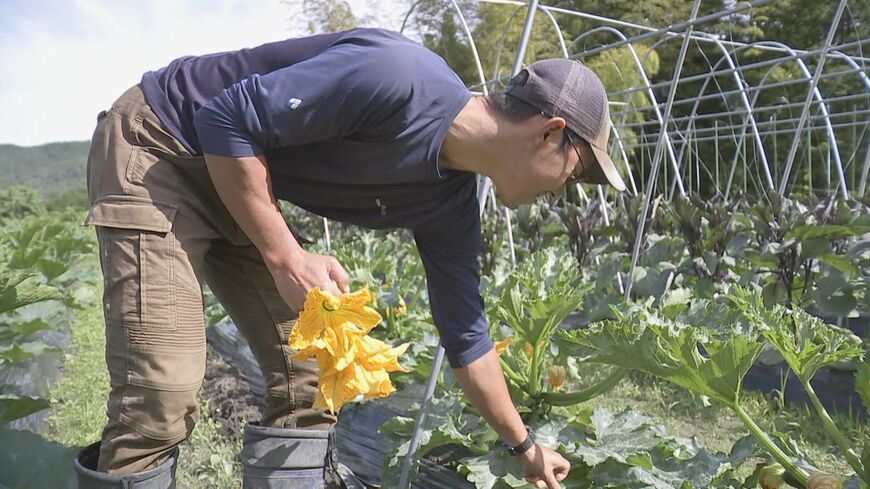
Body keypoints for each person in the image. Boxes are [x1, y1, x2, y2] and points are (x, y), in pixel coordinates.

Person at [73, 27, 626, 489]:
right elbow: (223, 119)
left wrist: (523, 446)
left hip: (239, 177)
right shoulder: (399, 77)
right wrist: (287, 256)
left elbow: (467, 336)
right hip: (163, 144)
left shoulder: (451, 202)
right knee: (160, 389)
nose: (566, 190)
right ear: (551, 133)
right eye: (576, 171)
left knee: (312, 377)